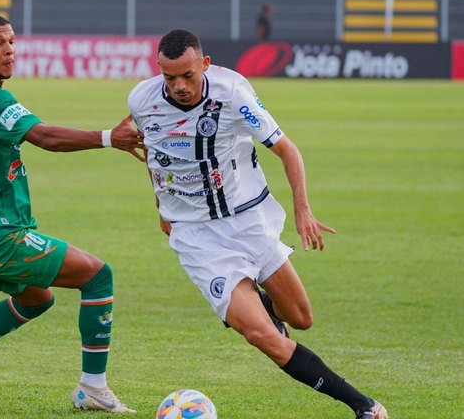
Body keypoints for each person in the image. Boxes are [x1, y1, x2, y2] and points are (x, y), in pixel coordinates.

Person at [127, 29, 390, 419]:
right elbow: (154, 153)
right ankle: (365, 406)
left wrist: (302, 210)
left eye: (187, 75)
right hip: (197, 238)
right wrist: (162, 206)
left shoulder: (233, 93)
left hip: (248, 220)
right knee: (262, 336)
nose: (179, 86)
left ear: (205, 64)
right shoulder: (141, 100)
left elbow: (287, 150)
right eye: (169, 77)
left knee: (300, 318)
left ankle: (265, 303)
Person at [0, 13, 142, 413]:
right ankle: (92, 388)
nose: (9, 50)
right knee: (98, 276)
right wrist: (109, 138)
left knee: (35, 298)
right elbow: (44, 137)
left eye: (11, 41)